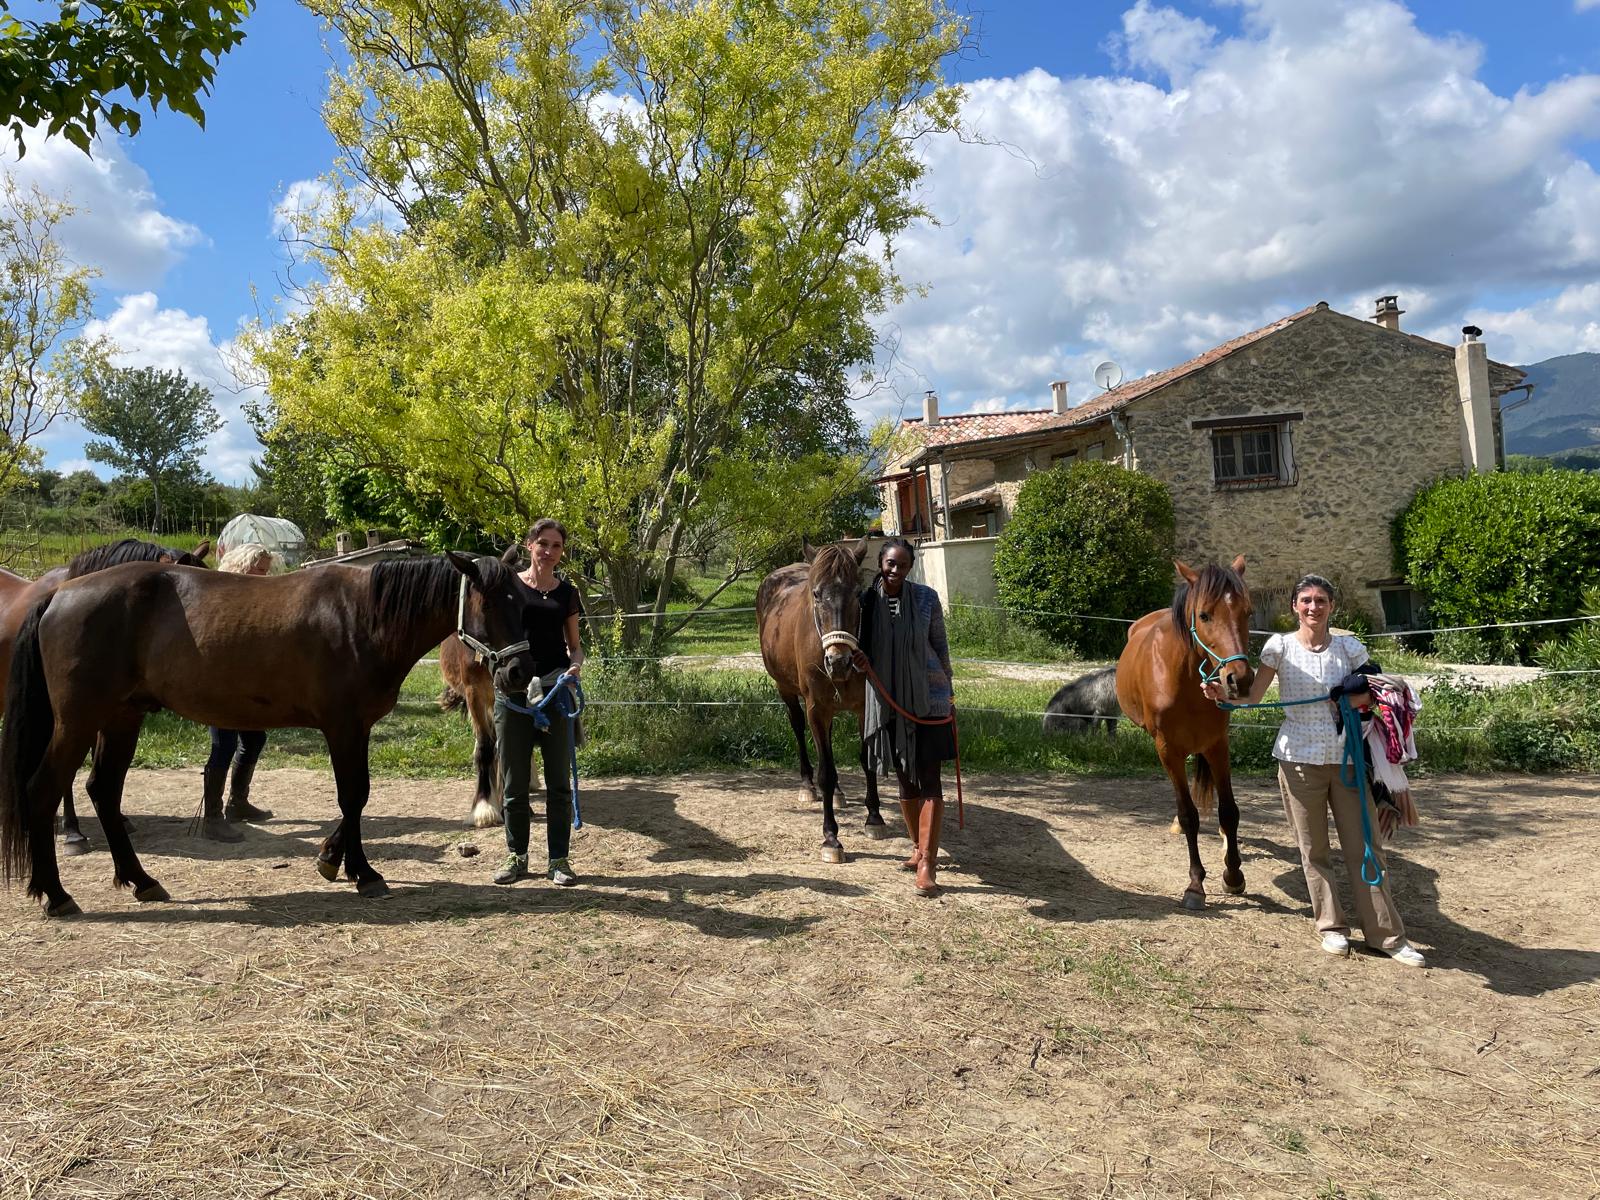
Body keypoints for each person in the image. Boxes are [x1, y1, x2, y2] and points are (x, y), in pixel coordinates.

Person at [1203, 573, 1425, 967]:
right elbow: (1252, 698)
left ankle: (1387, 935)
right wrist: (1222, 696)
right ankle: (1331, 927)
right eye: (1305, 600)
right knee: (1313, 849)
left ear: (1331, 607)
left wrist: (1345, 696)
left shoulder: (1349, 647)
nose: (1313, 607)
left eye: (1320, 600)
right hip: (1298, 759)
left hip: (1349, 759)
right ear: (1294, 606)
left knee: (1365, 847)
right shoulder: (1279, 647)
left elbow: (1375, 691)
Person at [852, 537, 955, 897]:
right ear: (880, 563)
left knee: (929, 781)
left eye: (903, 565)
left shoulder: (926, 598)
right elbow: (856, 645)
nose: (895, 570)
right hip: (887, 701)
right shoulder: (865, 603)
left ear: (910, 567)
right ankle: (917, 847)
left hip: (930, 701)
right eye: (890, 563)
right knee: (905, 784)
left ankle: (928, 863)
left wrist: (950, 691)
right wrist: (860, 659)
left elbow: (939, 646)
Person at [493, 518, 585, 886]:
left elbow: (575, 648)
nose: (548, 552)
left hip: (554, 691)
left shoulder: (567, 594)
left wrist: (574, 670)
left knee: (559, 783)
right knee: (514, 782)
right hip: (513, 692)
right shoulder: (509, 587)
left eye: (556, 546)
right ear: (530, 545)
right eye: (543, 543)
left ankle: (558, 860)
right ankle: (517, 856)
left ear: (561, 553)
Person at [199, 544, 278, 841]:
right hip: (220, 683)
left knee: (255, 738)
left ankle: (237, 803)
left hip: (246, 685)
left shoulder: (255, 598)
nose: (264, 576)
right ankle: (211, 817)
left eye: (266, 571)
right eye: (259, 570)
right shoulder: (220, 595)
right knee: (223, 745)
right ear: (242, 567)